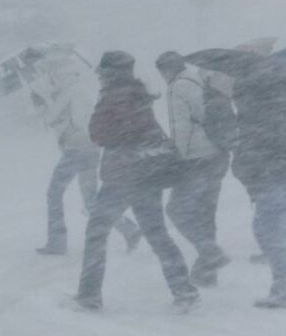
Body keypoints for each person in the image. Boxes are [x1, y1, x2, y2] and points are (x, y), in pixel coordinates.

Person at [75, 51, 198, 310]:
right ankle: (184, 290)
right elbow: (142, 131)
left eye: (102, 72)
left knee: (96, 234)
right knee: (158, 234)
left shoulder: (112, 97)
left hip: (122, 176)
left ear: (109, 73)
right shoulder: (138, 94)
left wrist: (103, 108)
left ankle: (88, 295)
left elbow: (98, 133)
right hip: (147, 174)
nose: (98, 76)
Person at [28, 52, 141, 255]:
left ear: (57, 72)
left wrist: (43, 100)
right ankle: (129, 229)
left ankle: (57, 242)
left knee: (54, 193)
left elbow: (62, 119)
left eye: (49, 73)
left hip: (78, 150)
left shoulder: (72, 91)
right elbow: (60, 119)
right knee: (90, 201)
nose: (49, 78)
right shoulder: (72, 89)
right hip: (85, 149)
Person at [232, 69, 286, 308]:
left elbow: (264, 149)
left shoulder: (264, 116)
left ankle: (285, 284)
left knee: (268, 230)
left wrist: (249, 162)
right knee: (271, 230)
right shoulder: (285, 110)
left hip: (278, 178)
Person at [155, 52, 231, 287]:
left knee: (177, 209)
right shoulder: (200, 81)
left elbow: (181, 126)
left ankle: (210, 252)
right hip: (217, 154)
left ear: (165, 70)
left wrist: (175, 154)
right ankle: (207, 273)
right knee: (206, 214)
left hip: (196, 158)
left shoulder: (177, 87)